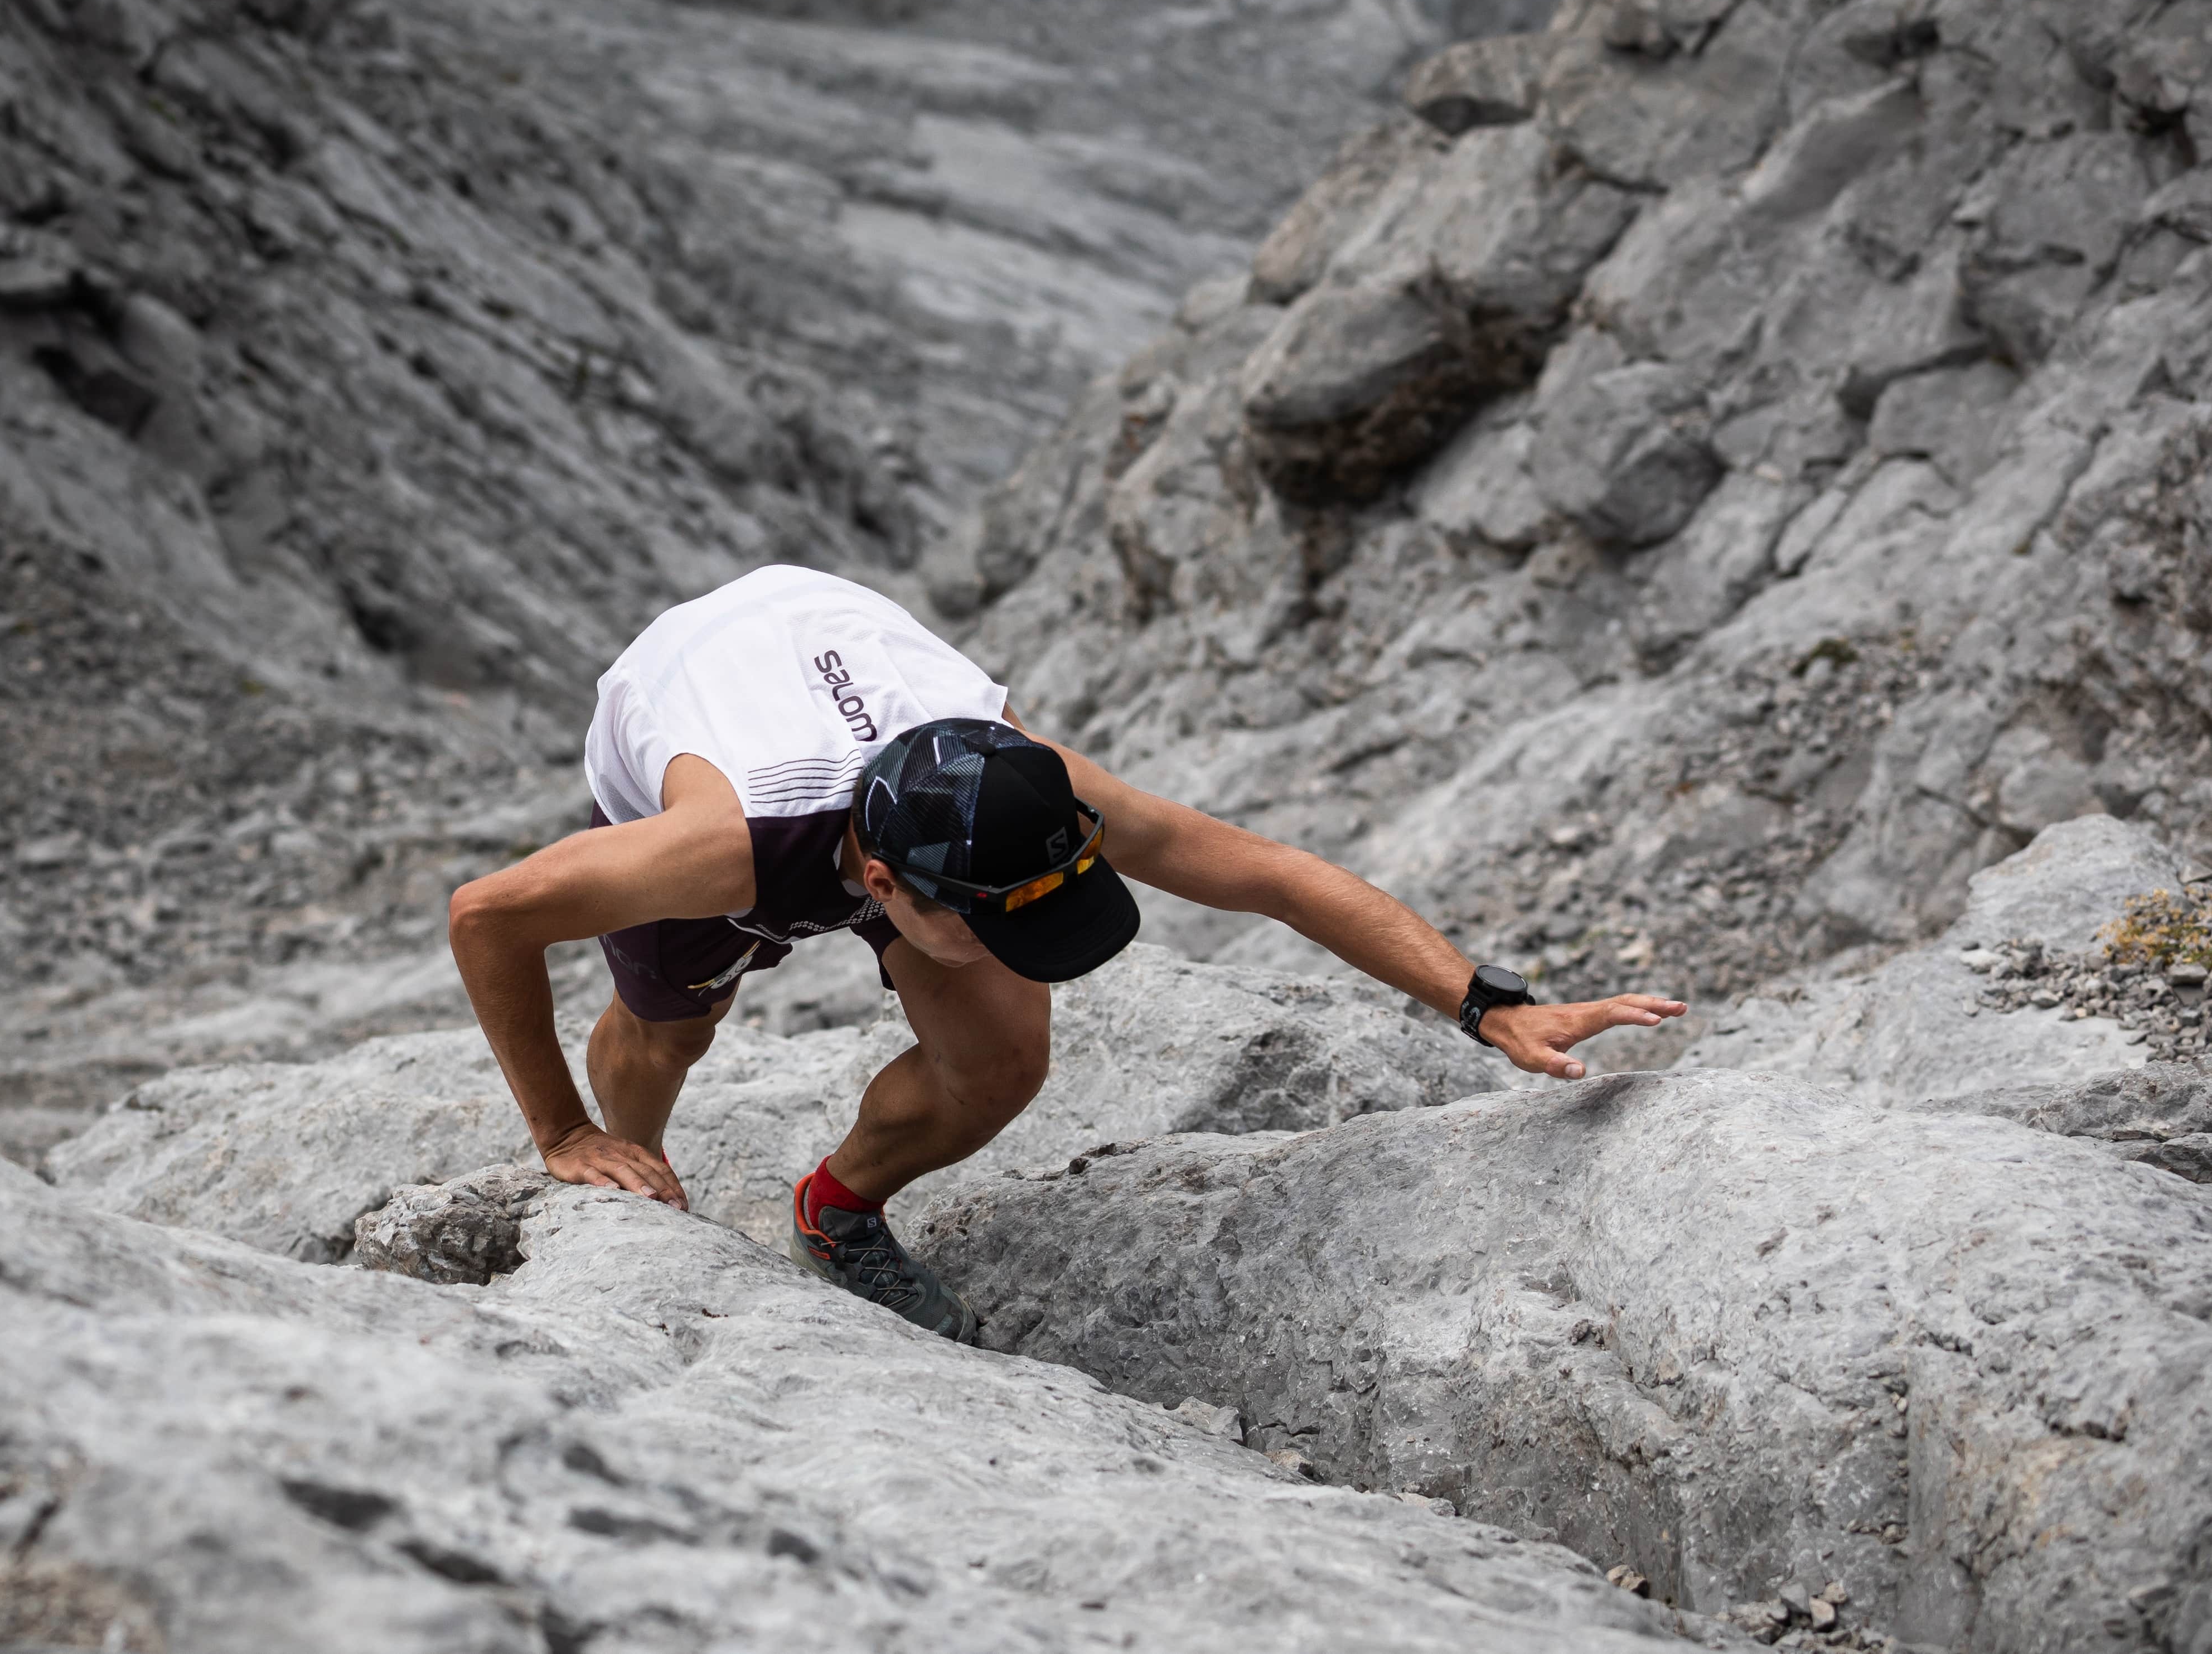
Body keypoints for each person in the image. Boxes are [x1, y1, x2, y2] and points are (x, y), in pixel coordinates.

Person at [446, 564, 1686, 1339]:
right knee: (673, 1027)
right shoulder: (716, 846)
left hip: (848, 670)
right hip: (702, 687)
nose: (1021, 942)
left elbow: (1269, 873)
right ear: (881, 890)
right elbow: (486, 914)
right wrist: (561, 1131)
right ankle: (634, 1176)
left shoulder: (1032, 782)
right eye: (993, 919)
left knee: (1000, 1063)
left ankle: (835, 1209)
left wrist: (1488, 1004)